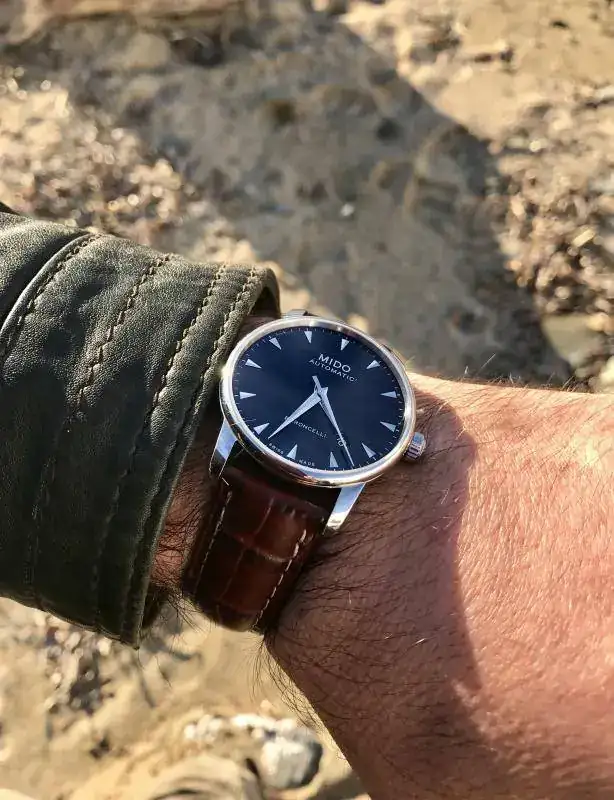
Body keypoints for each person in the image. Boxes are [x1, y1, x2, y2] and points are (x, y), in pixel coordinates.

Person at [0, 207, 613, 799]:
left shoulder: (345, 485)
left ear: (410, 441)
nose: (322, 392)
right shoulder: (242, 445)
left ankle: (212, 783)